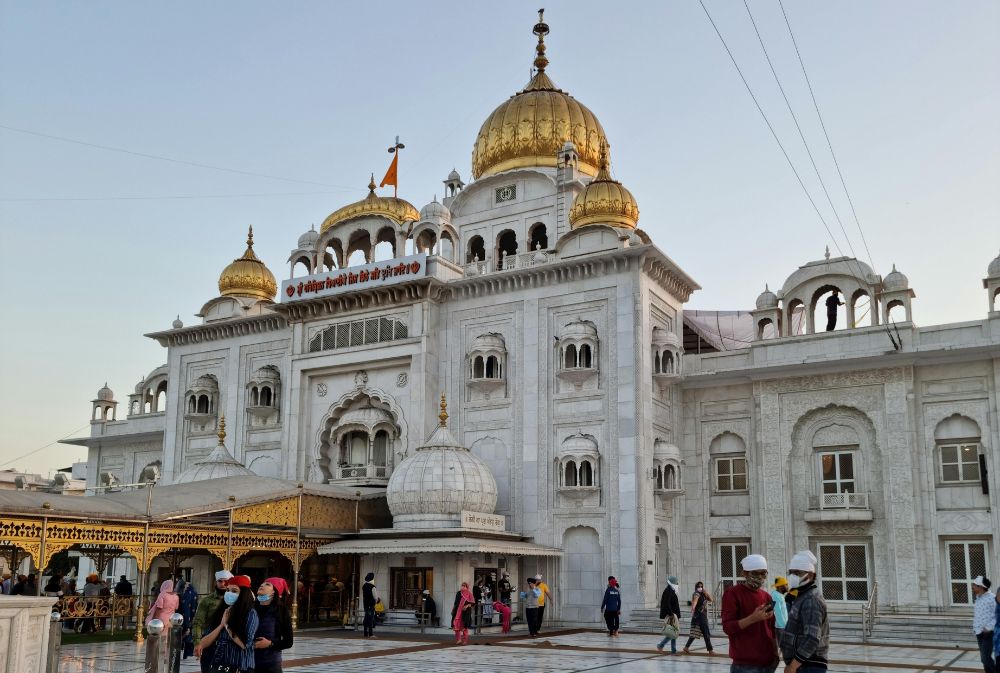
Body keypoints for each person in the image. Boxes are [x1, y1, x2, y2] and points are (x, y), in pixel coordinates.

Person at [721, 553, 779, 673]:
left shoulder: (766, 596)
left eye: (763, 573)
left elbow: (771, 630)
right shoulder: (733, 594)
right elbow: (728, 627)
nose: (760, 577)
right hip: (745, 665)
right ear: (744, 574)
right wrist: (753, 618)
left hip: (768, 663)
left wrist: (775, 654)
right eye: (755, 573)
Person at [779, 551, 829, 673]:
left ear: (811, 575)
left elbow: (812, 638)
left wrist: (793, 666)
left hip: (808, 665)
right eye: (790, 573)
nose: (792, 576)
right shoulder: (800, 596)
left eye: (797, 573)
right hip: (802, 664)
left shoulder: (811, 599)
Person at [196, 575, 258, 673]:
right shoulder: (223, 611)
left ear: (243, 594)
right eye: (228, 590)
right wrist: (221, 625)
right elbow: (203, 643)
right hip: (219, 664)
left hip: (240, 666)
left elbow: (245, 644)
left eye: (234, 591)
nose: (229, 594)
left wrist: (227, 625)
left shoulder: (250, 613)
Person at [193, 570, 233, 673]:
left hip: (229, 644)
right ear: (216, 582)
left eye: (226, 581)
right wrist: (197, 643)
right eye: (220, 581)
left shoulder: (235, 600)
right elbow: (198, 622)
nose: (223, 584)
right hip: (210, 642)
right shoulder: (207, 600)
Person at [253, 577, 293, 673]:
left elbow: (288, 642)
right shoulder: (251, 608)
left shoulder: (281, 611)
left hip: (271, 664)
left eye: (267, 584)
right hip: (249, 663)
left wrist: (270, 644)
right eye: (262, 583)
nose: (262, 585)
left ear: (274, 592)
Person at [971, 576, 996, 673]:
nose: (972, 586)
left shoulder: (992, 598)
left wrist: (989, 628)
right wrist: (975, 626)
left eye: (974, 585)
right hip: (979, 632)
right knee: (984, 660)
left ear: (981, 587)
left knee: (985, 658)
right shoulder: (978, 598)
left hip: (989, 633)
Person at [682, 580, 715, 655]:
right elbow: (695, 601)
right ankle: (710, 650)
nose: (700, 588)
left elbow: (711, 600)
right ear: (696, 587)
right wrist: (693, 607)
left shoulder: (703, 594)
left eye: (701, 586)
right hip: (699, 616)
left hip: (702, 616)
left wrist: (706, 593)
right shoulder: (696, 594)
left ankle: (686, 647)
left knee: (695, 633)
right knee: (705, 633)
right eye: (698, 586)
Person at [656, 575, 682, 654]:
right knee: (673, 632)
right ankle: (662, 646)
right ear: (673, 582)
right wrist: (671, 614)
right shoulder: (668, 591)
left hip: (673, 614)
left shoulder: (671, 590)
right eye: (676, 582)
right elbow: (666, 603)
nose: (677, 584)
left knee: (673, 631)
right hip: (671, 615)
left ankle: (671, 649)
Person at [179, 580, 199, 658]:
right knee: (188, 633)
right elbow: (195, 605)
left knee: (186, 633)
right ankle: (187, 653)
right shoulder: (194, 593)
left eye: (186, 586)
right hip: (191, 615)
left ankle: (183, 650)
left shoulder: (187, 594)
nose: (185, 587)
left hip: (186, 615)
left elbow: (185, 605)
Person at [361, 572, 379, 639]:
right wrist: (376, 600)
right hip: (371, 604)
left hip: (365, 604)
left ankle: (365, 632)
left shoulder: (364, 586)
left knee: (366, 617)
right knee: (370, 618)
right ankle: (371, 633)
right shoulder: (373, 587)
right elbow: (375, 597)